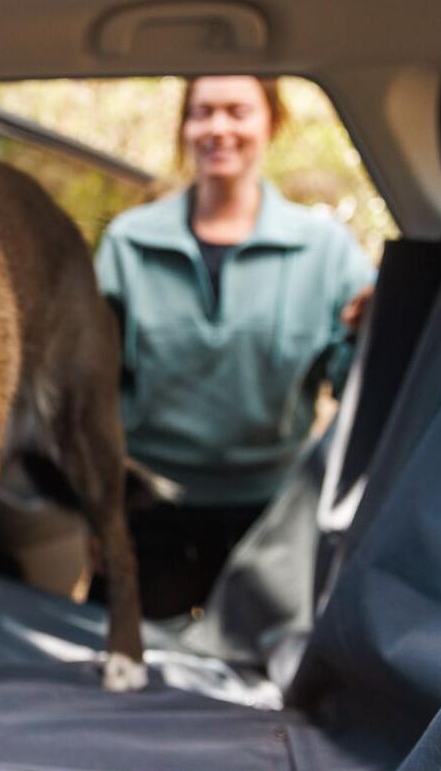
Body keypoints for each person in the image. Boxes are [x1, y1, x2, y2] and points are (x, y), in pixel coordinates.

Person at [94, 75, 377, 617]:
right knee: (128, 660)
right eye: (202, 112)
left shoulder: (326, 251)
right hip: (148, 506)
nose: (218, 128)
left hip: (274, 513)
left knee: (265, 666)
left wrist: (371, 330)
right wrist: (97, 510)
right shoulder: (130, 242)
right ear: (184, 126)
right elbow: (93, 389)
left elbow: (356, 386)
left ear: (273, 122)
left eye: (237, 111)